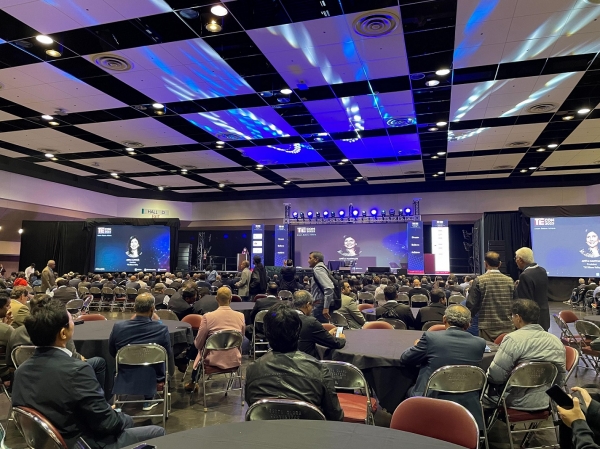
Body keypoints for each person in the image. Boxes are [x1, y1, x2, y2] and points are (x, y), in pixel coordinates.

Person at [11, 299, 164, 448]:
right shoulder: (77, 370)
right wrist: (122, 418)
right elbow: (107, 424)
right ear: (63, 333)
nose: (74, 322)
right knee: (157, 432)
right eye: (71, 320)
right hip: (83, 443)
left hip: (49, 443)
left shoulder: (21, 372)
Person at [245, 303, 344, 421]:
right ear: (298, 332)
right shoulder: (319, 370)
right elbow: (335, 416)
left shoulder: (252, 370)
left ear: (266, 334)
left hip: (265, 430)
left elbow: (252, 407)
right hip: (309, 431)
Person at [400, 304, 486, 428]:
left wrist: (417, 346)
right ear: (468, 324)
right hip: (467, 397)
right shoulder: (480, 343)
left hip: (431, 396)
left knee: (402, 388)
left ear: (444, 319)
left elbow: (406, 358)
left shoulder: (431, 338)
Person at [486, 299, 565, 411]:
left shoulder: (513, 339)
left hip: (514, 399)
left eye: (512, 316)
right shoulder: (555, 340)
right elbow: (560, 377)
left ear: (518, 317)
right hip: (545, 400)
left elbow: (496, 376)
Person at [108, 293, 172, 411]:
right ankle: (148, 399)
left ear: (134, 307)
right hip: (154, 376)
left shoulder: (118, 327)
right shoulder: (161, 329)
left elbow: (112, 351)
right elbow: (167, 355)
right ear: (152, 309)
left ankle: (118, 404)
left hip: (125, 373)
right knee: (157, 361)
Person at [185, 287, 245, 392]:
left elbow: (198, 344)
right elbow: (241, 338)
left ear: (216, 299)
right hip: (234, 358)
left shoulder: (208, 317)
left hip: (212, 359)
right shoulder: (240, 316)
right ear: (231, 299)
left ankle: (193, 381)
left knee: (197, 347)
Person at [466, 251, 516, 341]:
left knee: (489, 350)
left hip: (487, 328)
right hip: (508, 327)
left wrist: (468, 319)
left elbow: (471, 304)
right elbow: (515, 302)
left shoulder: (479, 280)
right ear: (500, 264)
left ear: (485, 264)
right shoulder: (510, 281)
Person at [293, 290, 345, 359]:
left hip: (287, 362)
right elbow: (335, 343)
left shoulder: (284, 318)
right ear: (308, 305)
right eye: (312, 305)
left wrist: (325, 334)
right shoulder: (310, 322)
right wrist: (341, 338)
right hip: (307, 362)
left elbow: (305, 337)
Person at [515, 247, 550, 331]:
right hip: (544, 316)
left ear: (520, 260)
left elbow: (525, 301)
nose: (515, 261)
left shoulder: (525, 275)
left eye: (516, 258)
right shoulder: (542, 271)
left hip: (532, 319)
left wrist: (517, 288)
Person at [308, 251, 335, 323]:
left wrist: (326, 307)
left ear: (316, 259)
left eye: (310, 258)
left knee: (321, 327)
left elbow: (329, 288)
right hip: (321, 304)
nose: (308, 261)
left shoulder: (318, 269)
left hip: (320, 305)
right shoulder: (323, 268)